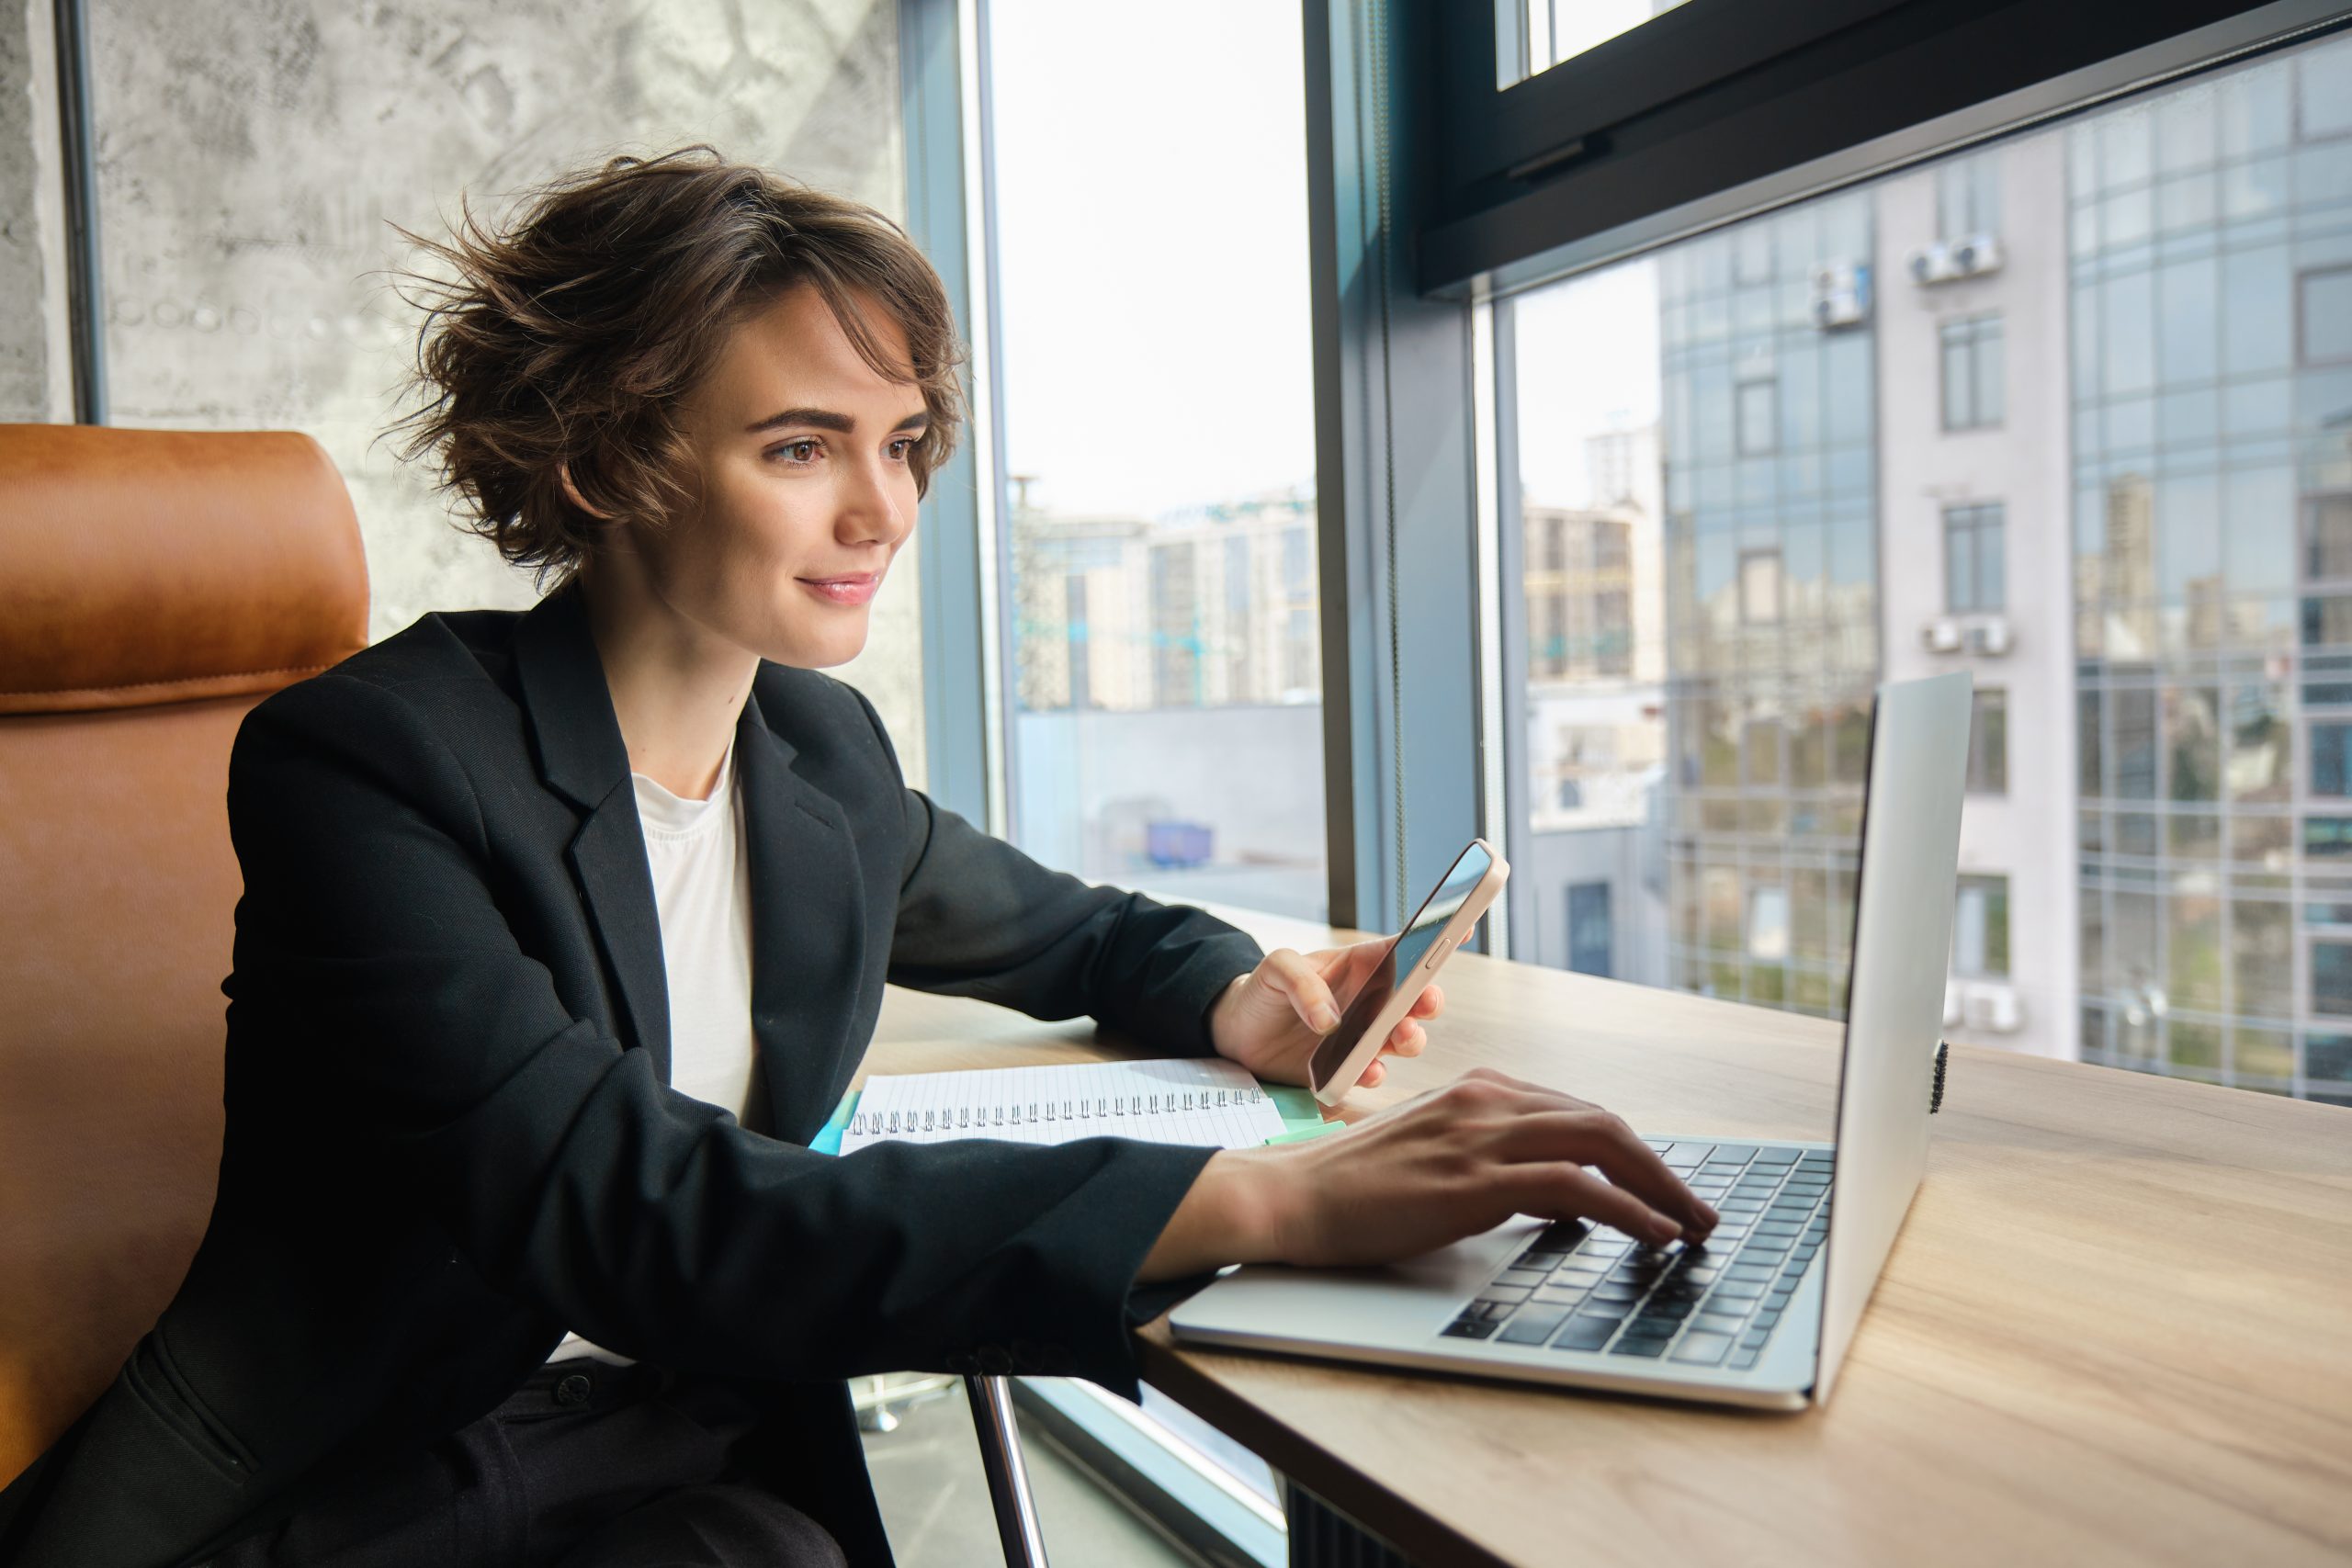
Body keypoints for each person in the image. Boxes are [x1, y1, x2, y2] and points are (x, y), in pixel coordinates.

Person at [0, 147, 1713, 1568]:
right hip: (356, 1479)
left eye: (899, 445)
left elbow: (1078, 934)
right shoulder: (370, 764)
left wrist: (1237, 1004)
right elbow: (627, 1206)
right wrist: (1261, 1194)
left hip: (672, 1439)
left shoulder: (815, 760)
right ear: (611, 459)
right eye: (801, 445)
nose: (885, 511)